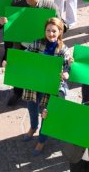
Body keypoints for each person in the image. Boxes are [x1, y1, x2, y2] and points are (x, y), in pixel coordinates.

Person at [15, 16, 68, 156]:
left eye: (54, 31)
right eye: (48, 30)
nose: (51, 34)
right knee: (31, 106)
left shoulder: (63, 49)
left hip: (52, 87)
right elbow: (25, 57)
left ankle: (41, 141)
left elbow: (68, 66)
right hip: (35, 83)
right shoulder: (37, 43)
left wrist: (66, 73)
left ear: (60, 32)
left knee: (47, 114)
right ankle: (33, 127)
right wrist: (12, 63)